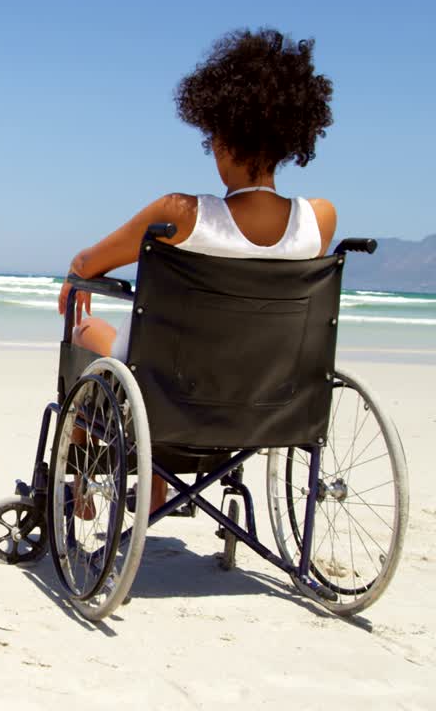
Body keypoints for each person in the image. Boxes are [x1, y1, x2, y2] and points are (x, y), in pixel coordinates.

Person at [58, 28, 337, 513]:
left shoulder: (181, 213)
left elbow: (90, 263)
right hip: (267, 392)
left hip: (167, 387)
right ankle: (156, 481)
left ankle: (84, 475)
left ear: (223, 135)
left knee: (87, 331)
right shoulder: (320, 218)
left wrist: (73, 278)